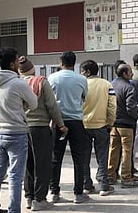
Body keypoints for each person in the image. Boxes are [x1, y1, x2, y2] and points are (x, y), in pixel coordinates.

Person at [0, 47, 38, 213]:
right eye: (17, 60)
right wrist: (21, 104)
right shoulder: (18, 83)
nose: (19, 63)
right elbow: (34, 103)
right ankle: (14, 210)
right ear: (11, 64)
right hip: (17, 133)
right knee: (16, 176)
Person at [18, 56, 67, 211]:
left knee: (28, 164)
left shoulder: (17, 84)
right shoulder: (41, 82)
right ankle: (40, 199)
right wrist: (61, 125)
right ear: (33, 69)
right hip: (40, 128)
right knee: (43, 164)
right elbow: (52, 106)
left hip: (22, 128)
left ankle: (29, 197)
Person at [48, 51, 91, 204]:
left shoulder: (52, 78)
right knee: (79, 158)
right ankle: (78, 193)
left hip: (58, 122)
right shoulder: (81, 79)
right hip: (76, 121)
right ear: (75, 62)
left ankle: (54, 192)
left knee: (55, 158)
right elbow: (84, 97)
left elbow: (49, 100)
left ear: (61, 62)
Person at [80, 60, 116, 196]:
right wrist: (110, 122)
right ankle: (103, 185)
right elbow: (112, 106)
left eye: (82, 71)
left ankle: (87, 184)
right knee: (102, 156)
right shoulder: (107, 84)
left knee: (84, 156)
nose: (81, 74)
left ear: (88, 72)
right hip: (102, 125)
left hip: (84, 125)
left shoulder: (82, 84)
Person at [108, 63, 138, 187]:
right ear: (124, 74)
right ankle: (126, 177)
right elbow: (131, 107)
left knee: (113, 150)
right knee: (127, 152)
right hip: (126, 125)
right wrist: (136, 116)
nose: (132, 74)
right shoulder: (129, 87)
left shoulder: (110, 85)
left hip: (113, 124)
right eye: (130, 72)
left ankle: (111, 175)